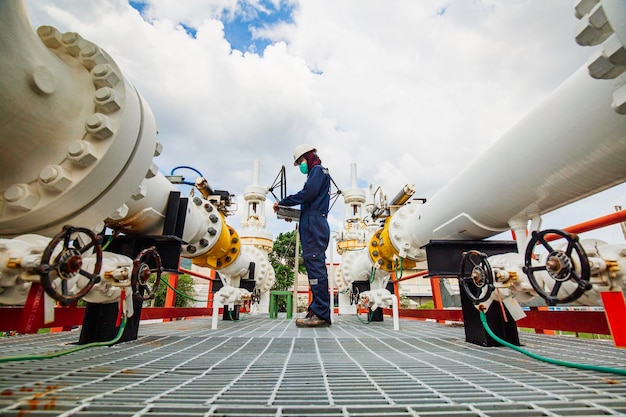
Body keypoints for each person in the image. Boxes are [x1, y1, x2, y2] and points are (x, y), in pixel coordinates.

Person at [273, 144, 331, 327]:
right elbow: (311, 204)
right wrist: (292, 214)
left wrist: (284, 202)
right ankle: (316, 310)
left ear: (308, 156)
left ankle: (321, 314)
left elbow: (307, 194)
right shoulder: (316, 173)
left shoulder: (317, 171)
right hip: (311, 223)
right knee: (314, 269)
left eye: (300, 162)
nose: (300, 166)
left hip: (314, 226)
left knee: (316, 269)